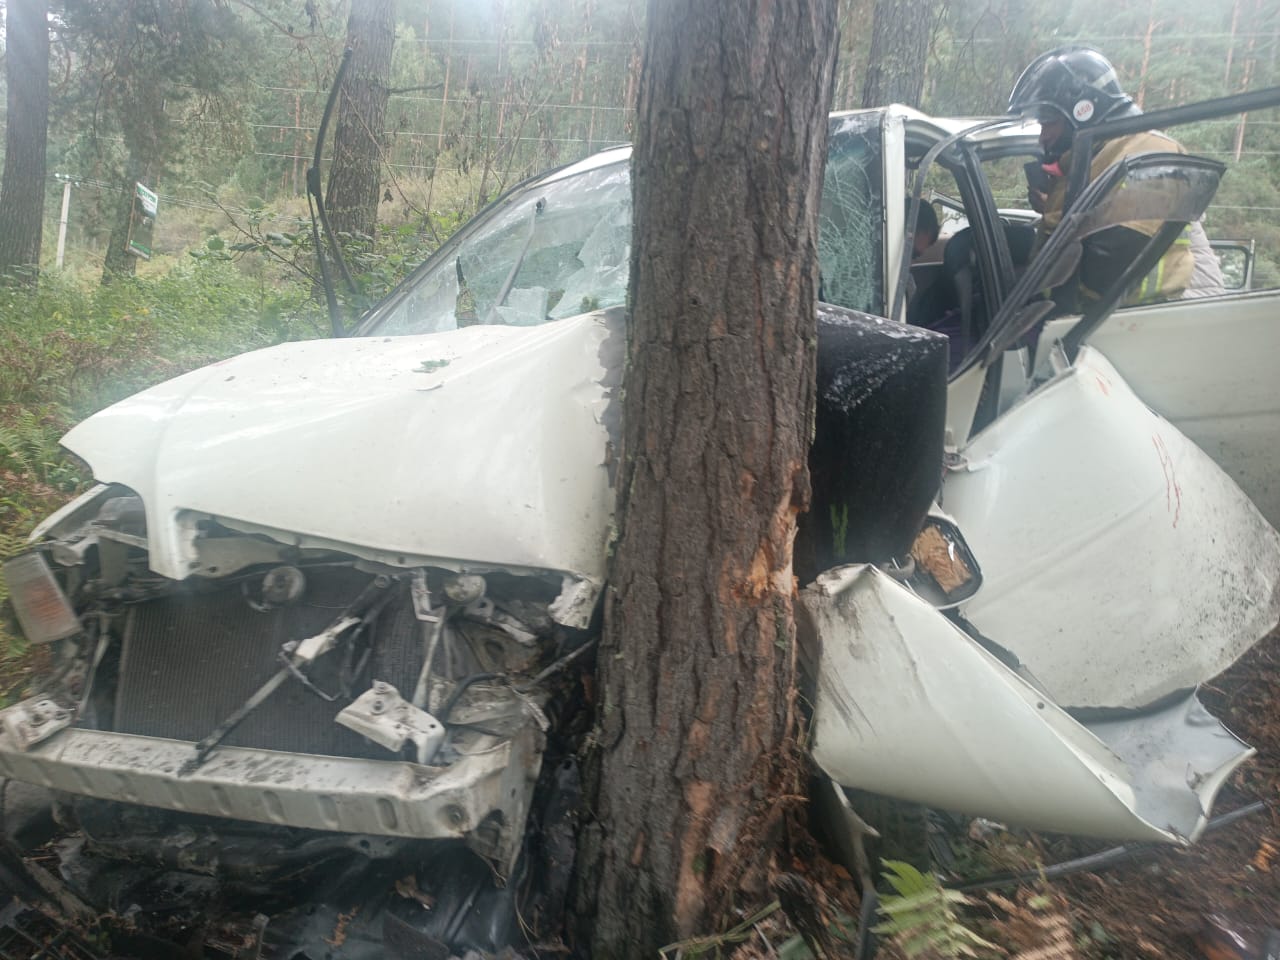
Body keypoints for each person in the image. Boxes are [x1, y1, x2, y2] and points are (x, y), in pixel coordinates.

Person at [1008, 45, 1225, 306]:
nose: (1043, 135)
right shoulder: (1093, 156)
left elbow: (1105, 266)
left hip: (1132, 327)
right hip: (1099, 323)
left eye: (1048, 121)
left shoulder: (1144, 156)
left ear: (1083, 109)